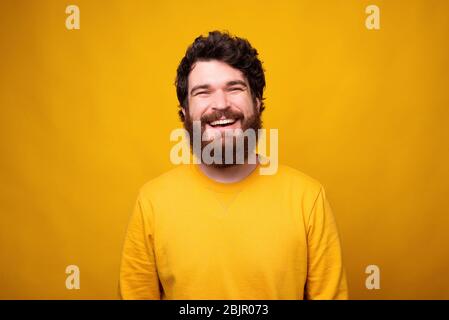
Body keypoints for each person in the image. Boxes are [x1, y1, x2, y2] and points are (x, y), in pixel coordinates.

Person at [119, 31, 348, 299]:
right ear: (185, 113)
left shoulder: (308, 199)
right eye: (203, 92)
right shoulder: (151, 203)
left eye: (234, 88)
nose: (221, 104)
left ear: (257, 102)